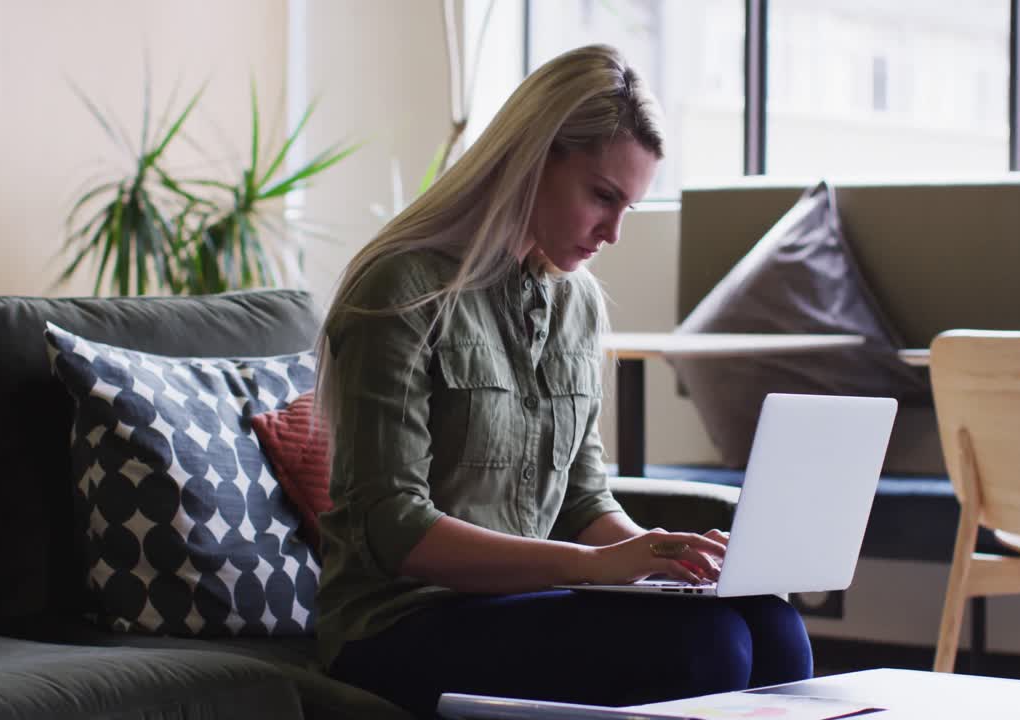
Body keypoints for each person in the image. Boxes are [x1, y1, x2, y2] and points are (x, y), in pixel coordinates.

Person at [311, 44, 812, 718]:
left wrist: (661, 564)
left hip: (525, 608)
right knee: (706, 646)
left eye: (629, 206)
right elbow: (395, 529)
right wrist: (588, 567)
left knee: (775, 629)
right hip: (397, 623)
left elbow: (582, 501)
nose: (612, 233)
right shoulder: (400, 291)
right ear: (534, 157)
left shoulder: (577, 305)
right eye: (603, 196)